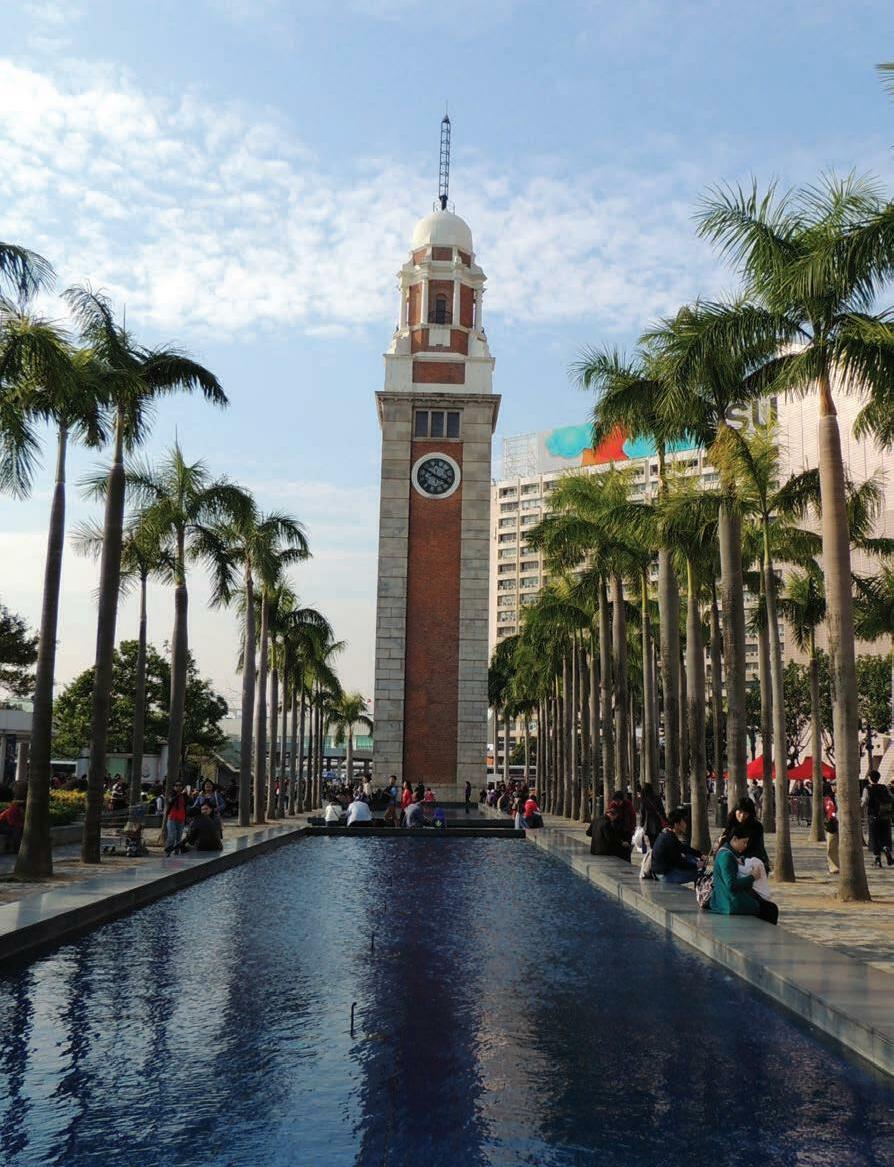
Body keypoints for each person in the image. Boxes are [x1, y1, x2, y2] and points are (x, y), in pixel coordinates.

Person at [711, 824, 779, 924]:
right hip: (729, 903)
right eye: (744, 842)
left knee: (767, 906)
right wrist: (752, 877)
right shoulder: (726, 856)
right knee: (771, 909)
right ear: (735, 839)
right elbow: (731, 885)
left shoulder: (727, 853)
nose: (745, 845)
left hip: (724, 900)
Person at [652, 809, 702, 884]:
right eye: (683, 822)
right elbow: (679, 863)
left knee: (690, 857)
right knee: (698, 874)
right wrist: (696, 865)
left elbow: (683, 848)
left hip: (662, 871)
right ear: (676, 824)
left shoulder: (667, 833)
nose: (685, 824)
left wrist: (700, 855)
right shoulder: (670, 839)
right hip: (664, 876)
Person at [719, 796, 770, 869]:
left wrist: (742, 860)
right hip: (730, 861)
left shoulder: (756, 827)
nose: (742, 816)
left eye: (745, 813)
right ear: (735, 810)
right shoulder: (731, 823)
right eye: (740, 812)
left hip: (750, 863)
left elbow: (758, 849)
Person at [862, 769, 893, 867]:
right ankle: (886, 848)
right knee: (884, 835)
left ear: (870, 778)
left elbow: (865, 801)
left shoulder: (867, 788)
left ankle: (877, 859)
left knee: (875, 837)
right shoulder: (884, 787)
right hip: (885, 815)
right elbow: (891, 797)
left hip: (873, 815)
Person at [164, 781, 188, 854]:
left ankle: (176, 853)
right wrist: (179, 794)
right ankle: (168, 852)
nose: (178, 787)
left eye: (180, 785)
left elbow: (189, 803)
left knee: (179, 837)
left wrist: (188, 794)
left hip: (181, 818)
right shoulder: (171, 794)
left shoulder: (184, 795)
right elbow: (171, 801)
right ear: (174, 787)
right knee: (172, 836)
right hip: (172, 818)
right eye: (176, 785)